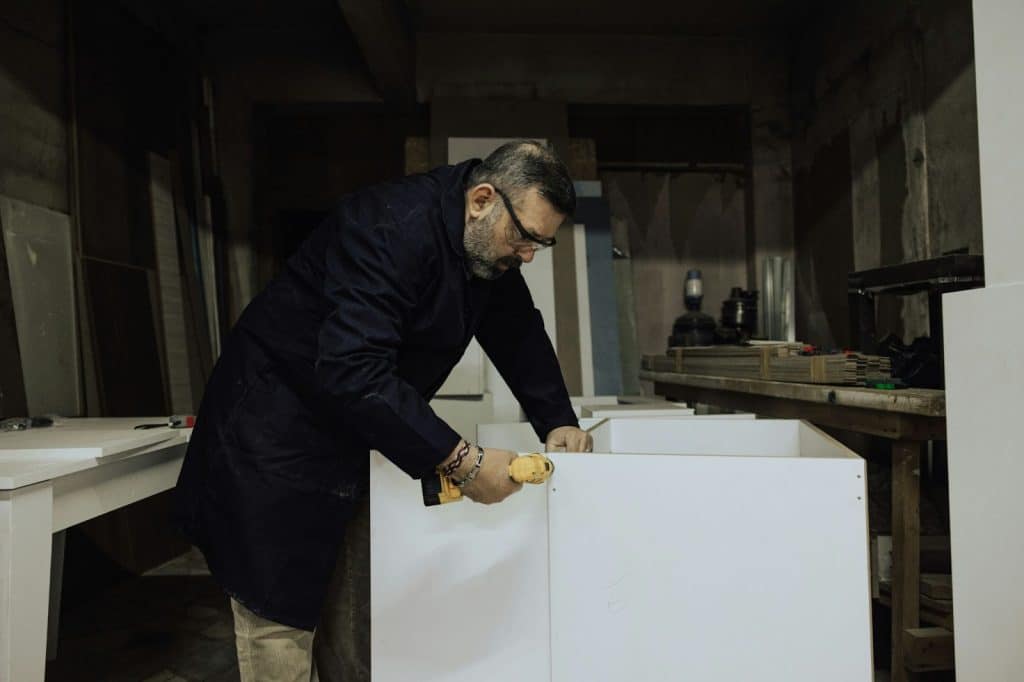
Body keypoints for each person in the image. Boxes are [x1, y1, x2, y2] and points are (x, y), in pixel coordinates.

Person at [173, 139, 593, 681]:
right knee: (280, 614)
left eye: (541, 243)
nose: (529, 255)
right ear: (482, 199)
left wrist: (557, 418)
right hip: (276, 431)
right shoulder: (387, 227)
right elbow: (353, 368)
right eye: (525, 237)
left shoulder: (485, 248)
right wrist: (463, 463)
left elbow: (515, 331)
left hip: (352, 430)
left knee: (352, 617)